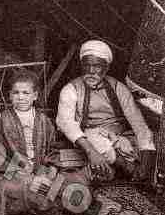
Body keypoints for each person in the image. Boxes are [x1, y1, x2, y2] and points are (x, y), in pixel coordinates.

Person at [56, 39, 156, 183]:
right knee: (95, 139)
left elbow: (138, 124)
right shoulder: (71, 89)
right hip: (90, 139)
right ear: (81, 65)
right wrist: (92, 152)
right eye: (87, 65)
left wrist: (146, 163)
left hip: (119, 137)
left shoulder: (118, 88)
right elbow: (66, 123)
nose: (91, 71)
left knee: (152, 145)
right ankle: (129, 170)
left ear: (106, 67)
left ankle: (138, 171)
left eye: (97, 66)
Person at [0, 70, 67, 215]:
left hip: (40, 169)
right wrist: (17, 170)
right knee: (10, 187)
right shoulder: (2, 119)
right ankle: (39, 203)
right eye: (16, 93)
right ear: (10, 95)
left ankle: (42, 198)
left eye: (26, 93)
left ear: (35, 96)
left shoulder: (44, 120)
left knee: (65, 184)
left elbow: (54, 149)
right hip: (12, 173)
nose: (21, 97)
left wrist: (51, 170)